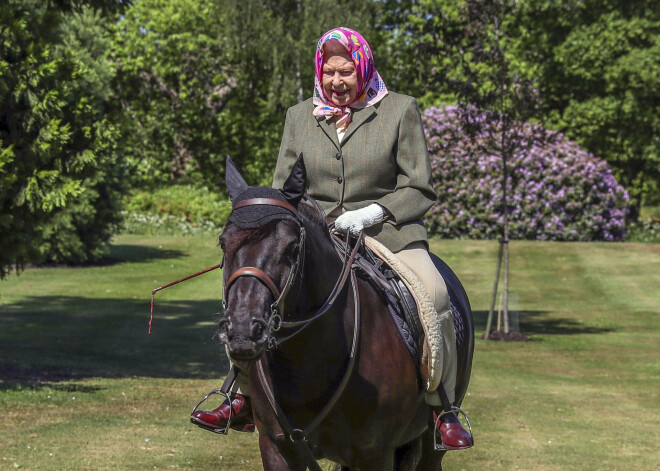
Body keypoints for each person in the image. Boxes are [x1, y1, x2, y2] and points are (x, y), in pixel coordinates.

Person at [191, 26, 473, 450]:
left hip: (388, 232)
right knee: (256, 292)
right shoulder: (298, 116)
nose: (338, 82)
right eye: (330, 73)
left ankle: (441, 407)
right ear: (319, 72)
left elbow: (419, 186)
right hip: (315, 234)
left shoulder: (399, 110)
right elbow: (284, 188)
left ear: (363, 68)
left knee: (433, 293)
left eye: (347, 72)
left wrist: (373, 213)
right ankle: (243, 394)